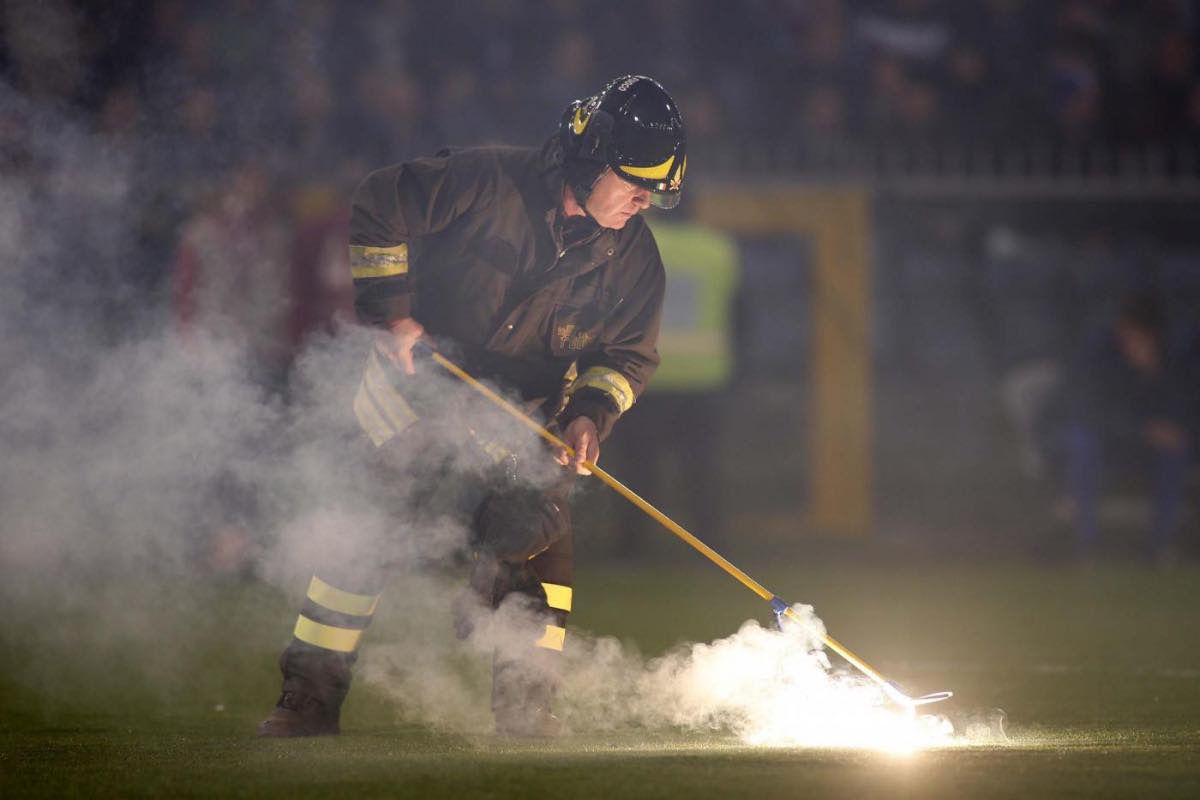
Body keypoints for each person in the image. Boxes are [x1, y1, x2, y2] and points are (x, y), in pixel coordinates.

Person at [257, 75, 686, 737]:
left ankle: (526, 711)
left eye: (656, 188)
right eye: (636, 182)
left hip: (522, 423)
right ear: (591, 161)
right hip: (409, 401)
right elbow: (380, 200)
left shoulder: (636, 264)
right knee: (363, 541)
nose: (646, 200)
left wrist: (588, 416)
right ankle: (306, 703)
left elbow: (626, 358)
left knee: (544, 550)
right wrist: (391, 317)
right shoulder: (487, 181)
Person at [1057, 294, 1194, 563]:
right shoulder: (1098, 353)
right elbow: (1091, 412)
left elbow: (1179, 408)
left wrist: (1151, 375)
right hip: (1100, 436)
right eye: (1133, 335)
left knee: (1177, 448)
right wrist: (1142, 430)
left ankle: (1160, 544)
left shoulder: (1167, 358)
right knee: (1083, 444)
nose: (1138, 343)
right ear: (1122, 330)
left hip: (1136, 445)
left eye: (1147, 337)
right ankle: (1086, 543)